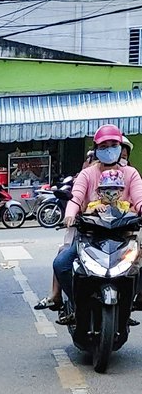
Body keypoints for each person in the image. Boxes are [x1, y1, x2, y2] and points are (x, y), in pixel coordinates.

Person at [51, 124, 142, 325]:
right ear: (96, 149)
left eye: (113, 145)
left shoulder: (131, 174)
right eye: (104, 145)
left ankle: (129, 304)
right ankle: (75, 305)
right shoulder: (87, 174)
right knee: (61, 264)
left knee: (138, 265)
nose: (109, 149)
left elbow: (139, 199)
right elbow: (76, 198)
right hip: (90, 235)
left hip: (124, 235)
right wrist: (70, 215)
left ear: (120, 148)